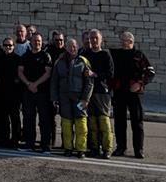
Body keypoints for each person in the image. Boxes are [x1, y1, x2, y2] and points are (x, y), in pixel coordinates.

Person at [110, 31, 155, 159]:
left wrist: (140, 84)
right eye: (121, 39)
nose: (122, 42)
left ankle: (138, 149)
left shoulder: (139, 55)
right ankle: (121, 147)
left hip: (134, 94)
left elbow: (150, 73)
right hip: (119, 93)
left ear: (131, 41)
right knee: (119, 122)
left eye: (124, 40)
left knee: (137, 122)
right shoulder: (116, 54)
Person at [50, 38, 93, 158]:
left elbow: (89, 82)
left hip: (79, 98)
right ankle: (68, 148)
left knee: (81, 125)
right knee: (66, 125)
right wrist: (54, 98)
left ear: (77, 47)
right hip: (64, 98)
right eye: (70, 46)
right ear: (66, 48)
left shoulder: (83, 61)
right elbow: (54, 81)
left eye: (74, 46)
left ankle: (81, 149)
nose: (72, 48)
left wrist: (86, 99)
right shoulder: (59, 62)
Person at [18, 31, 53, 153]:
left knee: (44, 119)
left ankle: (45, 146)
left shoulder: (46, 56)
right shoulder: (25, 56)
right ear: (31, 42)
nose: (36, 42)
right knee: (28, 118)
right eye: (34, 40)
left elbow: (48, 73)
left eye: (39, 41)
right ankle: (29, 144)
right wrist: (28, 84)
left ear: (41, 42)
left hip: (42, 92)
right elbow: (20, 71)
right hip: (28, 91)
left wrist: (35, 84)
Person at [83, 29, 114, 158]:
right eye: (91, 38)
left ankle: (107, 149)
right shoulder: (85, 54)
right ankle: (94, 148)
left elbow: (110, 74)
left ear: (101, 39)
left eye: (96, 38)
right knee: (92, 122)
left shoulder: (105, 55)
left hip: (102, 92)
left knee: (104, 121)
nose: (94, 40)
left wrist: (94, 74)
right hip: (89, 93)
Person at [0, 36, 21, 148]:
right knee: (3, 118)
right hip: (1, 93)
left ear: (14, 46)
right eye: (6, 45)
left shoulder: (18, 59)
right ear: (3, 47)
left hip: (14, 93)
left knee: (15, 118)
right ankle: (4, 138)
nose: (8, 47)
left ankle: (15, 139)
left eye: (10, 45)